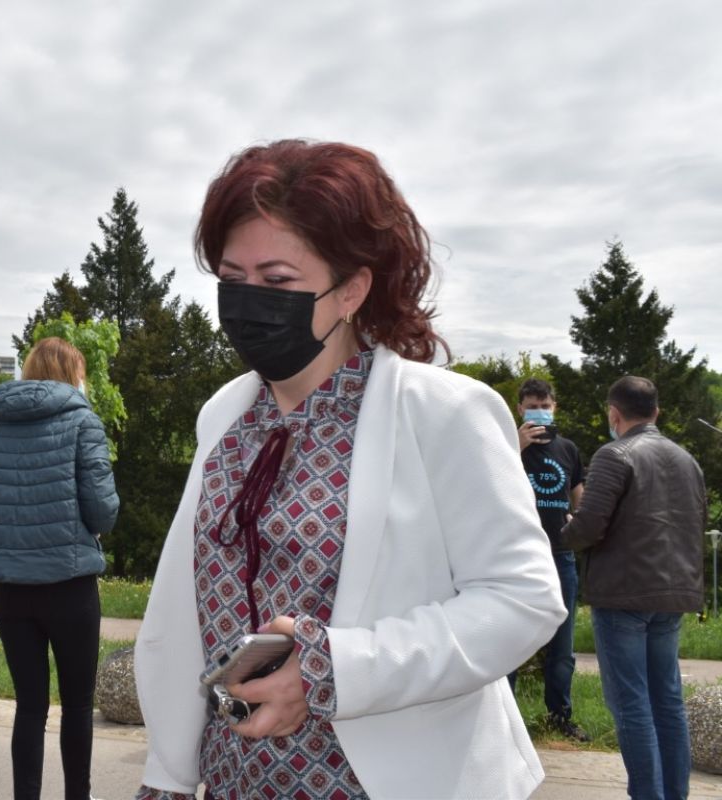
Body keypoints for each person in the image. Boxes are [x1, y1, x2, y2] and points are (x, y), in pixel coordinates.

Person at [133, 140, 566, 799]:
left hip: (388, 782)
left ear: (352, 290)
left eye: (278, 280)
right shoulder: (223, 414)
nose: (249, 301)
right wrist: (168, 770)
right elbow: (184, 608)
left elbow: (523, 600)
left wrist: (338, 669)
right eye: (232, 278)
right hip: (234, 776)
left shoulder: (444, 412)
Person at [0, 337, 119, 800]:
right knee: (77, 706)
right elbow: (102, 510)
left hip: (10, 589)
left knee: (29, 707)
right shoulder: (83, 421)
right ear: (75, 376)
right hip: (70, 585)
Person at [562, 376, 706, 800]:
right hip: (673, 593)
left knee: (632, 704)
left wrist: (566, 531)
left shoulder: (614, 454)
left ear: (614, 414)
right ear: (656, 412)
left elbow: (589, 526)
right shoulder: (687, 459)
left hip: (623, 594)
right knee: (667, 702)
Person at [510, 377, 589, 740]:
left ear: (554, 407)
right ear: (520, 408)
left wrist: (580, 519)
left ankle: (560, 717)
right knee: (510, 637)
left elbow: (579, 495)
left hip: (561, 555)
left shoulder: (568, 449)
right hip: (517, 554)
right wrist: (516, 445)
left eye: (544, 405)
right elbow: (488, 480)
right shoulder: (506, 443)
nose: (539, 411)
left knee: (562, 644)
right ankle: (506, 719)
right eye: (532, 406)